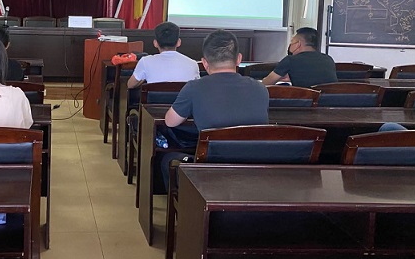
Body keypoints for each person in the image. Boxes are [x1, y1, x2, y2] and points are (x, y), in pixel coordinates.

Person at [160, 29, 269, 188]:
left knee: (166, 160)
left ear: (204, 63)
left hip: (211, 170)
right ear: (239, 59)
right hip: (254, 169)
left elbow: (170, 122)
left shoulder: (194, 88)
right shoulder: (260, 88)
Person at [127, 21, 200, 89]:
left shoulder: (145, 62)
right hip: (183, 99)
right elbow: (197, 88)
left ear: (155, 43)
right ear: (179, 42)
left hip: (155, 99)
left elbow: (130, 85)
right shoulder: (193, 64)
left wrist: (143, 76)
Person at [262, 27, 337, 88]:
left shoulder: (290, 60)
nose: (290, 45)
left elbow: (266, 83)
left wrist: (265, 80)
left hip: (305, 101)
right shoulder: (328, 59)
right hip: (329, 101)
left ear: (298, 44)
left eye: (292, 42)